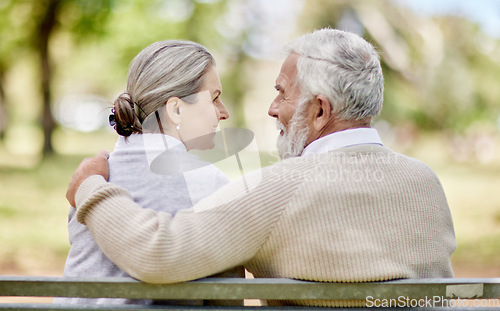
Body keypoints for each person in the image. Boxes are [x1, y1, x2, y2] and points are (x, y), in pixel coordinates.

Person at [66, 29, 456, 308]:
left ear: (319, 111)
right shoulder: (426, 182)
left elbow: (159, 253)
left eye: (282, 94)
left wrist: (90, 186)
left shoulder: (278, 189)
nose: (271, 109)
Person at [56, 40, 244, 306]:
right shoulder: (212, 184)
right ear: (176, 109)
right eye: (214, 98)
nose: (223, 113)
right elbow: (227, 301)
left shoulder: (92, 177)